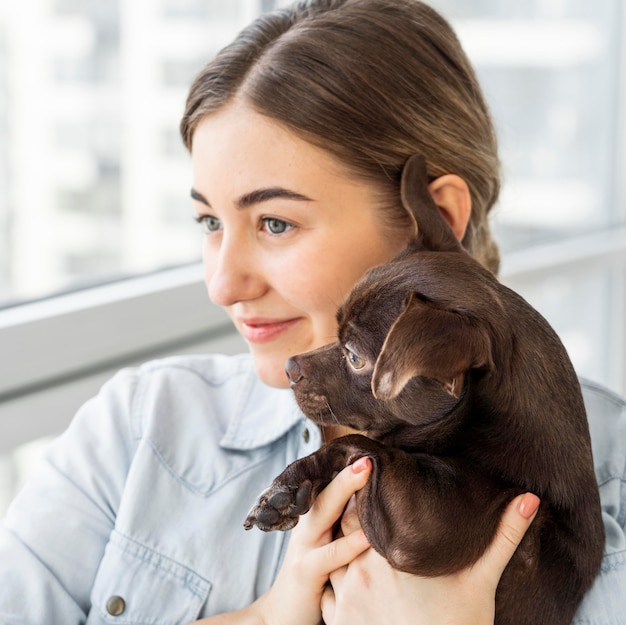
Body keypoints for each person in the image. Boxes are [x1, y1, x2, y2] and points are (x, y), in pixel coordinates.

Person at [0, 0, 624, 623]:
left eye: (275, 222)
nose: (222, 284)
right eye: (210, 221)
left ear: (436, 223)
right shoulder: (138, 432)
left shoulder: (607, 491)